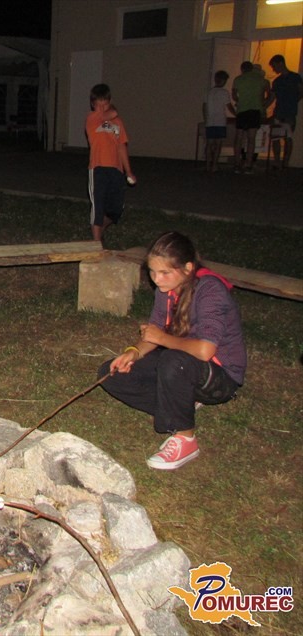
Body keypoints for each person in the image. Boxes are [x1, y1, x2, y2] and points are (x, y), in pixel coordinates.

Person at [97, 231, 246, 470]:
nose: (157, 279)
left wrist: (162, 338)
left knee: (173, 360)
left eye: (165, 272)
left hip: (219, 376)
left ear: (188, 268)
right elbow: (154, 334)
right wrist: (133, 352)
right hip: (180, 362)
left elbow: (205, 351)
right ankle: (182, 402)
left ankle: (185, 438)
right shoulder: (165, 291)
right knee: (111, 373)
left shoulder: (210, 291)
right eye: (152, 272)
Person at [86, 84, 136, 243]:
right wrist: (110, 109)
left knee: (116, 210)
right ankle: (96, 245)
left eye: (105, 104)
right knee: (98, 207)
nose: (102, 109)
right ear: (92, 105)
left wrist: (128, 171)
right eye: (98, 105)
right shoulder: (92, 118)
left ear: (110, 102)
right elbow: (112, 112)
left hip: (116, 169)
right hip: (98, 168)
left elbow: (122, 146)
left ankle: (100, 231)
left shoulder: (118, 122)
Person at [232, 61, 271, 174]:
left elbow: (234, 95)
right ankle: (249, 164)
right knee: (251, 138)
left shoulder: (238, 79)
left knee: (239, 137)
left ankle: (237, 164)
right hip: (255, 111)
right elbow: (269, 93)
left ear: (242, 69)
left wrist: (240, 101)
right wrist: (263, 103)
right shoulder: (261, 80)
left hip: (242, 110)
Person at [267, 54, 303, 169]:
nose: (273, 69)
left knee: (287, 138)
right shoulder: (277, 81)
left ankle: (285, 162)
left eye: (274, 66)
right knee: (277, 138)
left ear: (280, 63)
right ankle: (278, 161)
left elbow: (301, 91)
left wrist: (293, 101)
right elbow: (272, 97)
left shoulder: (295, 77)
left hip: (288, 112)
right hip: (280, 112)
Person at [204, 70, 232, 172]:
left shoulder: (209, 92)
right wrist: (236, 114)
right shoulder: (224, 93)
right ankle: (214, 164)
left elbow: (204, 107)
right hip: (220, 121)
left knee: (209, 143)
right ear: (224, 80)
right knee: (218, 144)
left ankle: (208, 164)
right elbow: (229, 107)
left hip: (210, 121)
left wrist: (206, 119)